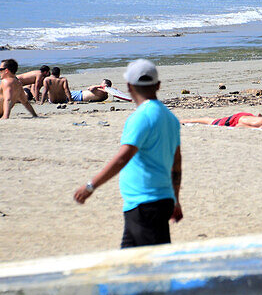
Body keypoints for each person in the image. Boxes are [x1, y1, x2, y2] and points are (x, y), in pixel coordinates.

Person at [73, 59, 182, 249]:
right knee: (129, 264)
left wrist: (91, 186)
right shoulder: (170, 118)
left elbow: (123, 157)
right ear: (158, 85)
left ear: (129, 87)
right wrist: (176, 200)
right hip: (155, 201)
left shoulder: (140, 117)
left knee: (152, 267)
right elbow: (177, 165)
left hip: (145, 203)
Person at [43, 76, 113, 104]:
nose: (100, 84)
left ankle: (46, 98)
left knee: (62, 95)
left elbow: (90, 88)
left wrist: (100, 86)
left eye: (102, 83)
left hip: (79, 96)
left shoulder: (101, 92)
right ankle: (46, 97)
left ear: (105, 85)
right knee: (63, 94)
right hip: (79, 94)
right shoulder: (105, 95)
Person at [182, 113, 262, 130]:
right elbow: (240, 125)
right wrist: (255, 128)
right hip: (234, 120)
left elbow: (260, 115)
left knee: (207, 119)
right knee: (209, 121)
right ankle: (181, 121)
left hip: (242, 115)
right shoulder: (261, 124)